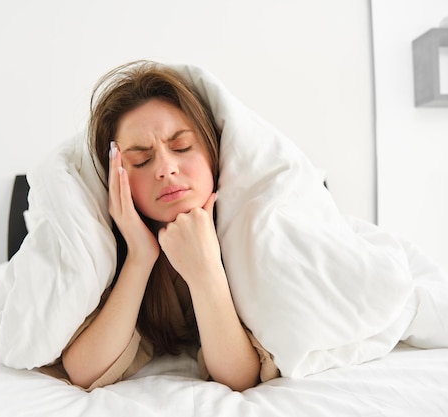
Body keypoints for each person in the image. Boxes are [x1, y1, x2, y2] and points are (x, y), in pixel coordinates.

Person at [40, 61, 279, 391]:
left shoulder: (250, 227)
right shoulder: (106, 246)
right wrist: (140, 255)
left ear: (212, 150)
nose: (166, 169)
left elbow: (239, 377)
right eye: (141, 160)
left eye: (181, 147)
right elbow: (84, 370)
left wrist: (205, 269)